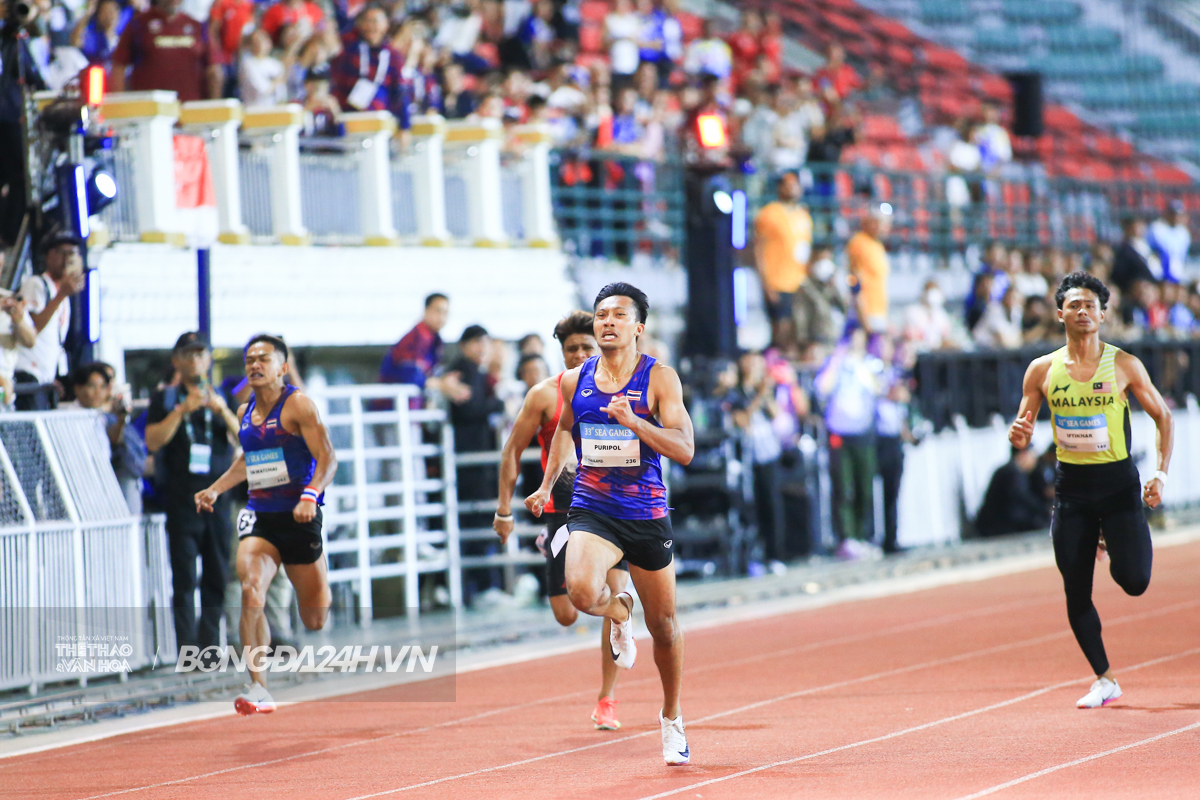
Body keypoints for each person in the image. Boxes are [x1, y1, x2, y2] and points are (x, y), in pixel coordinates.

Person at [526, 282, 695, 765]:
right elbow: (563, 433)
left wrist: (636, 422)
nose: (607, 322)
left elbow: (684, 448)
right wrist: (545, 483)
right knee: (579, 591)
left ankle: (672, 717)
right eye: (601, 314)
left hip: (645, 513)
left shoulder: (660, 379)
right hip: (593, 507)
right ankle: (619, 612)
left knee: (664, 627)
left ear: (638, 327)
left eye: (618, 314)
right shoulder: (572, 381)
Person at [1008, 271, 1173, 708]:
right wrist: (1019, 435)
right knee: (1075, 589)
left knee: (1134, 581)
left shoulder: (1123, 364)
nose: (1082, 311)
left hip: (1118, 486)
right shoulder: (1042, 369)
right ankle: (1105, 678)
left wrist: (1160, 473)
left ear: (1103, 313)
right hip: (1072, 491)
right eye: (1074, 305)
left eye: (1090, 305)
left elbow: (1163, 418)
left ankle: (1114, 539)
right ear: (1060, 312)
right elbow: (1022, 428)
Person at [494, 310, 630, 731]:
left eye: (586, 347)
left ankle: (607, 699)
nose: (579, 355)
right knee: (567, 613)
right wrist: (503, 510)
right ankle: (615, 608)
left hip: (614, 510)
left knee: (611, 591)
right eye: (571, 349)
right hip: (562, 514)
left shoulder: (624, 391)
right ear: (562, 353)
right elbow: (512, 452)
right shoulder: (543, 396)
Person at [195, 334, 336, 715]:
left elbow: (328, 458)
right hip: (260, 516)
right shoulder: (244, 413)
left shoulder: (299, 406)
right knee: (250, 588)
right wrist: (216, 489)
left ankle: (321, 568)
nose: (255, 365)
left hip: (299, 516)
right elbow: (249, 462)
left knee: (315, 619)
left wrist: (310, 494)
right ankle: (259, 687)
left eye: (263, 359)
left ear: (282, 367)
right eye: (249, 360)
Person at [145, 332, 240, 655]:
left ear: (209, 359)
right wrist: (182, 411)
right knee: (184, 578)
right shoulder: (166, 399)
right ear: (177, 361)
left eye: (201, 354)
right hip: (183, 499)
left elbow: (245, 439)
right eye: (188, 354)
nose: (195, 360)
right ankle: (188, 649)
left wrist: (223, 411)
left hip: (218, 498)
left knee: (217, 575)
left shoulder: (223, 395)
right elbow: (153, 441)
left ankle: (210, 646)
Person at [815, 325, 881, 557]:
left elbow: (878, 388)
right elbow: (822, 388)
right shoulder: (836, 364)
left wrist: (861, 365)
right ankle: (846, 537)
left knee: (865, 486)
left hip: (863, 432)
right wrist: (837, 359)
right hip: (839, 433)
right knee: (843, 486)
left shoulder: (870, 364)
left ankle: (863, 535)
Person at [16, 233, 87, 410]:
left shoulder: (63, 294)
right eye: (62, 252)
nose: (67, 259)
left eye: (72, 254)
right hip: (27, 373)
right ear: (48, 256)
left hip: (44, 377)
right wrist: (61, 294)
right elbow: (32, 329)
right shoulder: (37, 284)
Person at [110, 0, 221, 101]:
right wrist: (120, 103)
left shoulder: (197, 27)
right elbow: (119, 66)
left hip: (189, 111)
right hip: (150, 111)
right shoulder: (138, 25)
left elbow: (213, 70)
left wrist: (214, 105)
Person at [754, 171, 812, 344]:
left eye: (795, 184)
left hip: (799, 281)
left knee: (798, 329)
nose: (793, 188)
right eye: (788, 184)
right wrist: (766, 283)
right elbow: (759, 249)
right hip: (778, 281)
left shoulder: (803, 214)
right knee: (781, 328)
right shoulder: (769, 214)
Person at [976, 445, 1050, 537]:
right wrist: (1045, 510)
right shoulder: (1012, 473)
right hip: (996, 527)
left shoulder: (1012, 471)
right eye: (1032, 457)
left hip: (996, 524)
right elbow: (1021, 499)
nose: (1034, 461)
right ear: (1023, 454)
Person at [846, 204, 892, 335]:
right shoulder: (859, 243)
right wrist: (862, 313)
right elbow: (854, 279)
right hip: (867, 310)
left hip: (878, 309)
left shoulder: (878, 245)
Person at [1148, 200, 1190, 286]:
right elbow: (1154, 254)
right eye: (1172, 213)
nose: (1175, 217)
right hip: (1159, 273)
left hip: (1177, 273)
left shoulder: (1184, 233)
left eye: (1178, 214)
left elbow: (1182, 257)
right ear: (1165, 213)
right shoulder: (1156, 228)